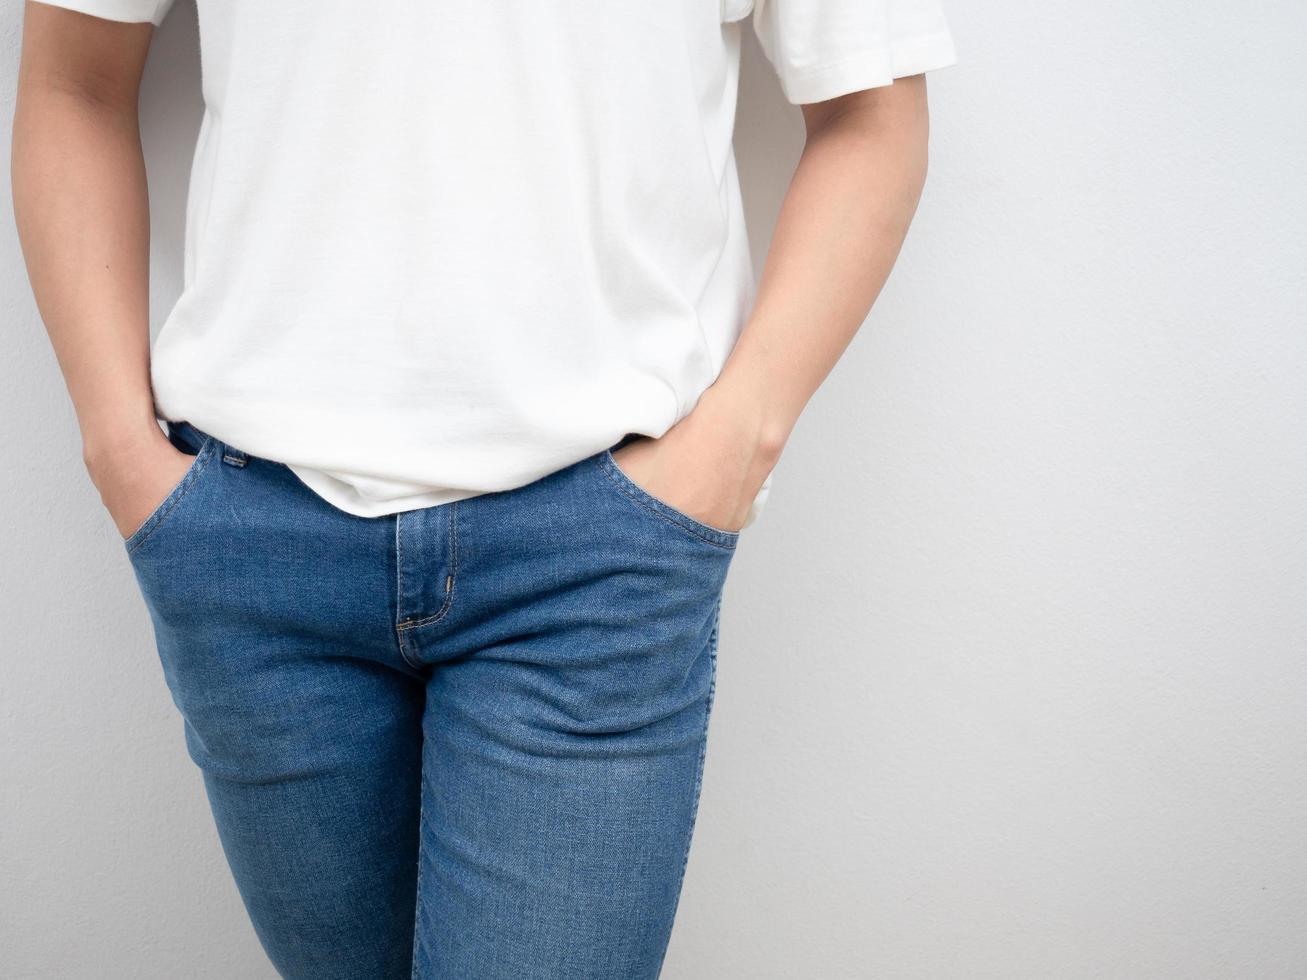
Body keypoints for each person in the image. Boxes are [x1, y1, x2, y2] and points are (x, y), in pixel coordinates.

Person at [12, 0, 956, 976]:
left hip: (592, 566)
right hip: (258, 559)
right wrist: (120, 449)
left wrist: (733, 444)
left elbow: (871, 111)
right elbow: (70, 78)